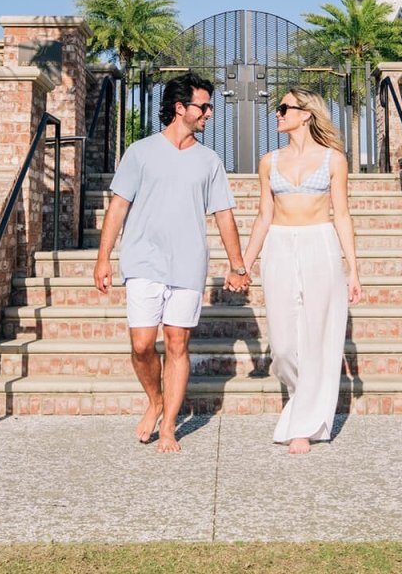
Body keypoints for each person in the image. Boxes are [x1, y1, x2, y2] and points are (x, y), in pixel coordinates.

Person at [93, 72, 246, 453]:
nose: (210, 113)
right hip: (143, 259)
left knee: (177, 344)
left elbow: (224, 214)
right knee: (143, 344)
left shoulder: (209, 161)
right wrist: (103, 258)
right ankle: (155, 400)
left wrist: (237, 265)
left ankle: (169, 426)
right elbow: (118, 207)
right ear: (181, 108)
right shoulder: (140, 152)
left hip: (188, 264)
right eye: (204, 106)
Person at [237, 88, 361, 453]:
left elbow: (342, 214)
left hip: (320, 244)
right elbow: (263, 216)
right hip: (278, 244)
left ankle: (303, 425)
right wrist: (242, 263)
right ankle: (302, 403)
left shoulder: (333, 160)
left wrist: (353, 269)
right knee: (286, 345)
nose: (277, 114)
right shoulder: (268, 161)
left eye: (283, 108)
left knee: (320, 336)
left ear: (305, 114)